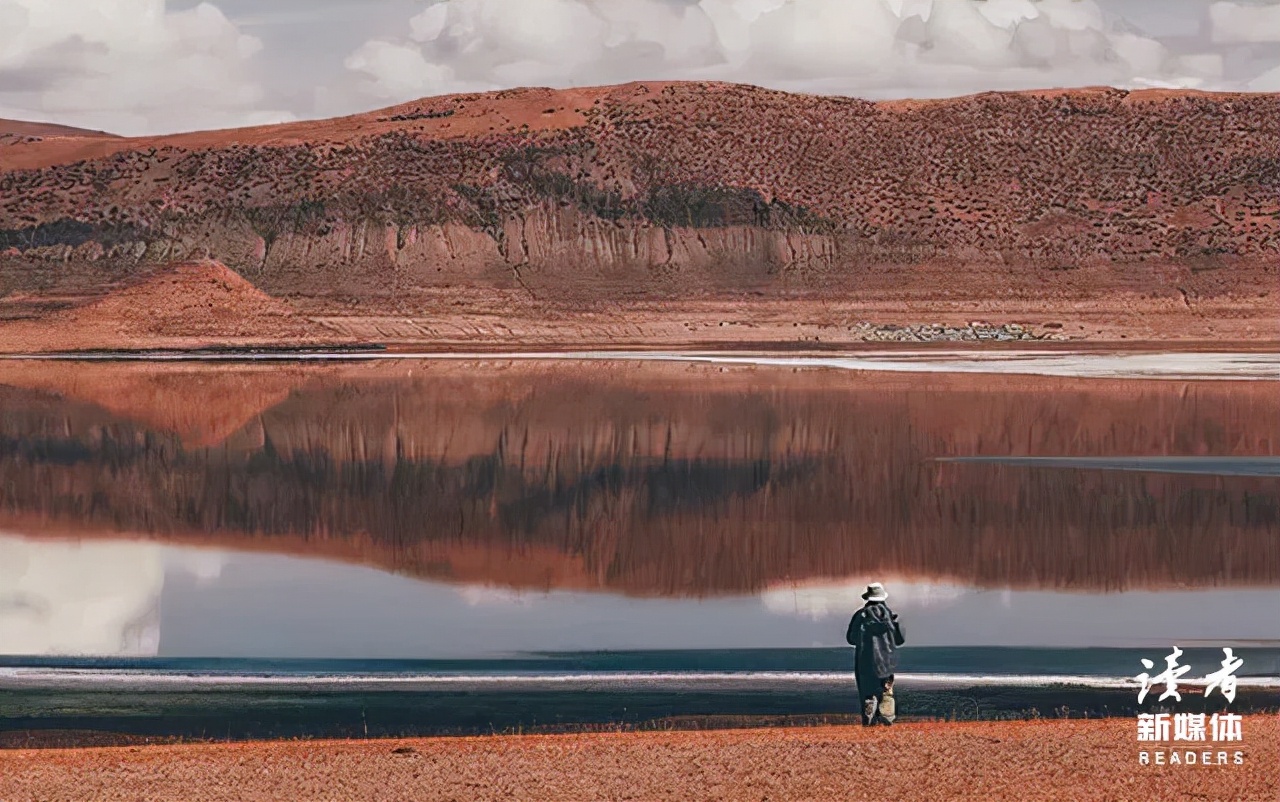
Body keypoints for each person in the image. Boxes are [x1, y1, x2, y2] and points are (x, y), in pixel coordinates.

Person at [845, 582, 905, 726]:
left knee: (867, 693)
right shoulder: (890, 616)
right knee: (886, 692)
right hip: (887, 662)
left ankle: (869, 717)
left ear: (868, 598)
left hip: (865, 661)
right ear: (882, 598)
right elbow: (899, 640)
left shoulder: (860, 615)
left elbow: (851, 639)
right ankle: (887, 719)